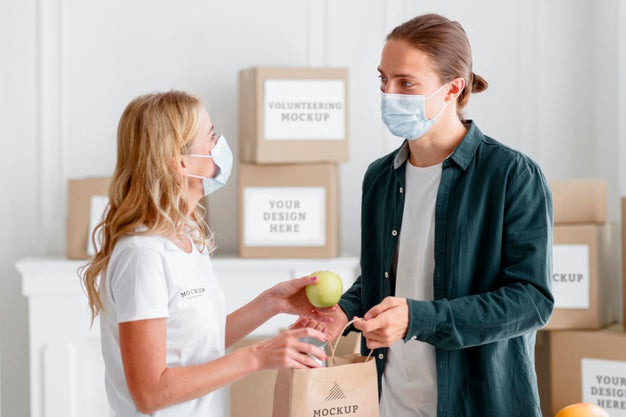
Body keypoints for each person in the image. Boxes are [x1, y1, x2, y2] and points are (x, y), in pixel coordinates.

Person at [294, 13, 553, 417]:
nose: (388, 93)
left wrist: (420, 318)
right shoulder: (379, 178)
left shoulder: (511, 175)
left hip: (479, 404)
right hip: (389, 400)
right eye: (383, 79)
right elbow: (383, 277)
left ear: (453, 88)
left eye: (406, 83)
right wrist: (342, 310)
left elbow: (532, 301)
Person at [80, 91, 332, 417]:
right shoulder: (142, 257)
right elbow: (149, 393)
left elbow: (195, 346)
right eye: (211, 136)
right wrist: (257, 356)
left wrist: (273, 303)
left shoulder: (185, 237)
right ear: (181, 161)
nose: (219, 144)